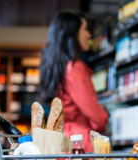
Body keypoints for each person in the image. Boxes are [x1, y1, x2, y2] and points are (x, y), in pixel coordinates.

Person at [38, 11, 108, 152]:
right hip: (81, 142)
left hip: (63, 138)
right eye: (84, 29)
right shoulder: (74, 68)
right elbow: (97, 116)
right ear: (71, 35)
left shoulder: (57, 67)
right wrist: (104, 115)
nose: (89, 34)